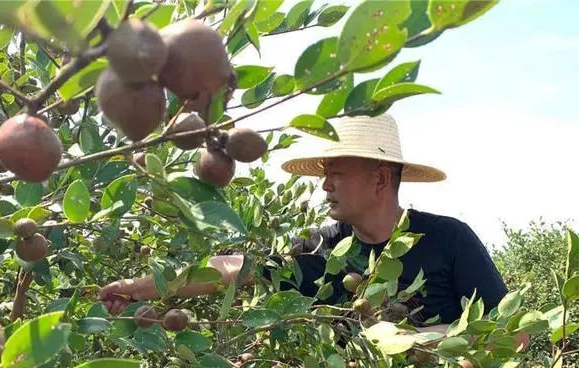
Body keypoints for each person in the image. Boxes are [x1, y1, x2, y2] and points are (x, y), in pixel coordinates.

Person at [99, 115, 508, 337]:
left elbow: (512, 334)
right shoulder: (320, 250)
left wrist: (417, 342)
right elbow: (233, 269)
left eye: (337, 172)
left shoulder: (449, 239)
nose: (324, 184)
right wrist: (136, 288)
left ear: (381, 179)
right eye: (324, 172)